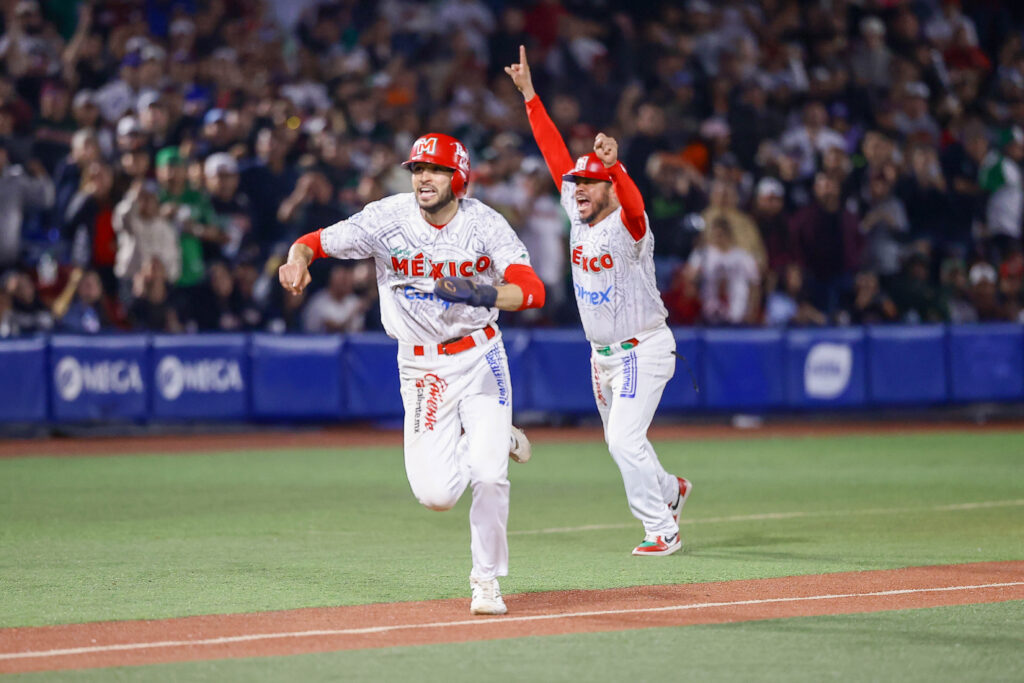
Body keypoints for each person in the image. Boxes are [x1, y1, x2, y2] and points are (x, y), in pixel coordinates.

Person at [278, 132, 545, 616]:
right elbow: (311, 243)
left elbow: (532, 291)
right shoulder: (386, 218)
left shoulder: (485, 224)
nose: (424, 177)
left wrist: (481, 294)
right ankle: (494, 436)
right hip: (421, 366)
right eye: (418, 169)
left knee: (488, 475)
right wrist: (295, 261)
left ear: (458, 178)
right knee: (437, 495)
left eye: (436, 169)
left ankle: (486, 580)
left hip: (480, 354)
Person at [506, 46, 691, 557]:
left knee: (622, 442)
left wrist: (619, 168)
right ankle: (672, 490)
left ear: (608, 186)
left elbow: (635, 205)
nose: (579, 188)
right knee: (625, 442)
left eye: (590, 183)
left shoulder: (629, 226)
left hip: (643, 347)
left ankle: (662, 528)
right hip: (601, 356)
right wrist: (530, 97)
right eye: (577, 184)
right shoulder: (578, 206)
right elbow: (553, 155)